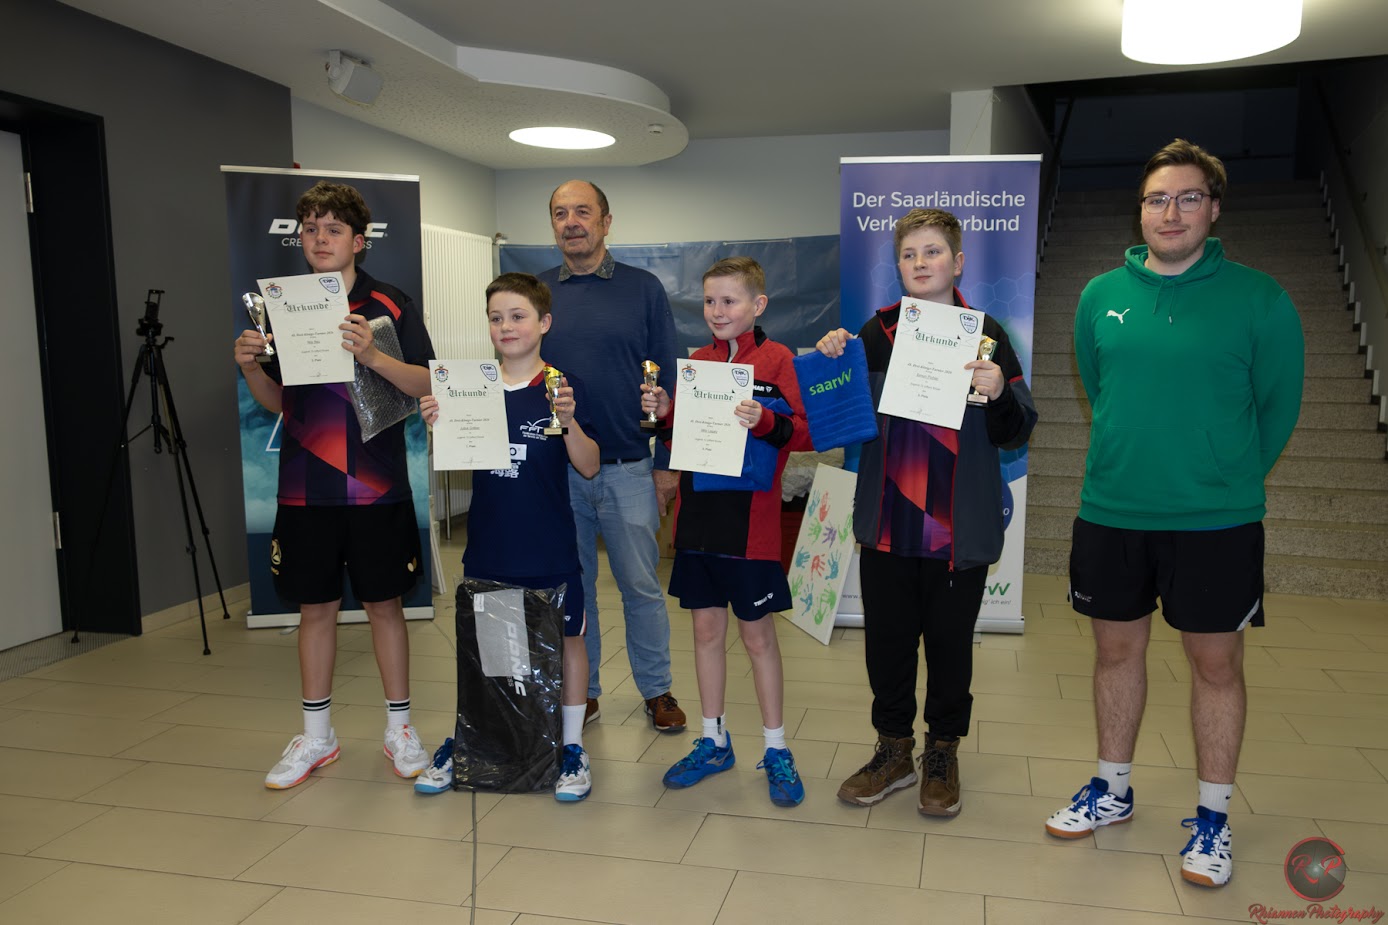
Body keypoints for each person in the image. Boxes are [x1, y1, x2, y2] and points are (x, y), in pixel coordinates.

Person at [1043, 139, 1303, 888]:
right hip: (1112, 510)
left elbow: (1278, 407)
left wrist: (1223, 474)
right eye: (1158, 198)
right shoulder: (1098, 295)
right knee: (1115, 653)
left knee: (1216, 665)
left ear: (1214, 209)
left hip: (1215, 520)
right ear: (1141, 210)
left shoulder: (1260, 299)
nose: (1171, 211)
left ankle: (1214, 817)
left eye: (1189, 197)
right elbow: (1100, 386)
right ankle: (1112, 788)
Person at [816, 208, 1036, 816]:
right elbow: (838, 417)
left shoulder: (987, 332)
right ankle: (892, 750)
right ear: (898, 265)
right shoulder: (875, 332)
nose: (920, 262)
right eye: (909, 254)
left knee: (949, 646)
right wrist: (833, 358)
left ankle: (942, 751)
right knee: (886, 645)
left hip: (956, 530)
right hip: (890, 522)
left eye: (933, 251)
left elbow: (1018, 429)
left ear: (957, 262)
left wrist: (999, 392)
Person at [234, 180, 435, 789]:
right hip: (305, 487)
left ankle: (399, 729)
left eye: (333, 229)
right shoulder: (281, 306)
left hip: (377, 487)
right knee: (314, 608)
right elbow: (278, 401)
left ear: (359, 240)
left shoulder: (390, 303)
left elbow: (427, 383)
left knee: (385, 605)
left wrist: (373, 356)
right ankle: (317, 736)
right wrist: (249, 367)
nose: (320, 239)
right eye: (311, 229)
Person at [417, 272, 600, 801]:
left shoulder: (563, 386)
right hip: (491, 544)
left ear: (544, 322)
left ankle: (571, 747)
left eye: (518, 316)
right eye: (496, 317)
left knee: (569, 640)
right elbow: (458, 459)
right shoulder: (470, 387)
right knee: (495, 649)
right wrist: (438, 425)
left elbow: (589, 466)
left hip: (549, 543)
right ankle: (485, 742)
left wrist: (569, 422)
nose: (506, 326)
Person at [640, 257, 812, 806]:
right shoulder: (697, 363)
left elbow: (806, 432)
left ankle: (777, 747)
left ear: (757, 305)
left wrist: (765, 419)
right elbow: (685, 437)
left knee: (758, 638)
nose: (717, 311)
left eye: (729, 301)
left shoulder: (780, 360)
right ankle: (714, 741)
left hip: (751, 527)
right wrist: (666, 411)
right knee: (705, 632)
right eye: (710, 301)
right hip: (699, 522)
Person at [538, 180, 686, 733]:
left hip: (629, 467)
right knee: (574, 589)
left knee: (641, 587)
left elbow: (669, 380)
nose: (571, 222)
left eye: (583, 211)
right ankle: (586, 691)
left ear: (606, 221)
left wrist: (667, 462)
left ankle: (657, 690)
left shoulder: (643, 289)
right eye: (560, 213)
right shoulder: (536, 294)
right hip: (558, 469)